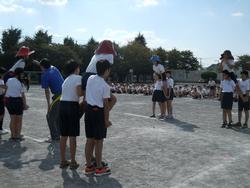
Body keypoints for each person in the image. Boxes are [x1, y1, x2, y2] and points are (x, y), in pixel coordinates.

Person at [84, 60, 112, 176]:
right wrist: (106, 120)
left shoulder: (90, 79)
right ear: (106, 71)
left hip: (89, 112)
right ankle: (99, 167)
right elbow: (106, 105)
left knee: (89, 140)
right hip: (98, 113)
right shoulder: (105, 86)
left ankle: (89, 166)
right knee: (99, 141)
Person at [81, 40, 117, 115]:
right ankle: (103, 116)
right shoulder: (110, 55)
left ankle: (76, 116)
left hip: (85, 77)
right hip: (95, 77)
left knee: (87, 100)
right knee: (112, 99)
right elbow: (105, 71)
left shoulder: (95, 55)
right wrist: (105, 84)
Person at [59, 60, 83, 169]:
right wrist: (86, 91)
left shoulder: (66, 80)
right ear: (76, 68)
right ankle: (73, 161)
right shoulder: (78, 78)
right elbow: (79, 93)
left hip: (62, 105)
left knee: (63, 135)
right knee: (72, 135)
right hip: (72, 106)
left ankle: (63, 160)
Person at [39, 58, 64, 142]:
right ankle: (58, 133)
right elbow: (44, 66)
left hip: (58, 96)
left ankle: (55, 137)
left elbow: (47, 91)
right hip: (65, 93)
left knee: (49, 116)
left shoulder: (45, 75)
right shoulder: (54, 68)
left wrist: (48, 104)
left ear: (42, 67)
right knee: (56, 115)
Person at [5, 68, 29, 141]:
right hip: (17, 101)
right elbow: (22, 95)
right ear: (19, 74)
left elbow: (6, 89)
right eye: (22, 74)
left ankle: (13, 135)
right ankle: (18, 136)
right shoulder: (20, 83)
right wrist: (25, 105)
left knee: (12, 119)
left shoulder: (9, 80)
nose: (22, 75)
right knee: (19, 120)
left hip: (8, 101)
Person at [0, 67, 7, 134]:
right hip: (0, 97)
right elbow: (4, 87)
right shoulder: (1, 80)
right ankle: (0, 128)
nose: (4, 75)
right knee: (1, 113)